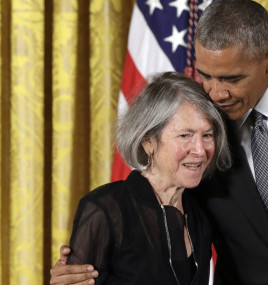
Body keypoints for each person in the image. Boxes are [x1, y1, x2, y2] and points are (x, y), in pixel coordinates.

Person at [51, 0, 268, 284]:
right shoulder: (202, 122)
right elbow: (152, 225)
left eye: (231, 78)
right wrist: (84, 266)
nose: (216, 93)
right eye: (206, 75)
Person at [49, 71, 231, 285]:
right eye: (185, 135)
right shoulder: (105, 209)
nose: (200, 150)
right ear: (148, 142)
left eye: (207, 135)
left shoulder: (200, 213)